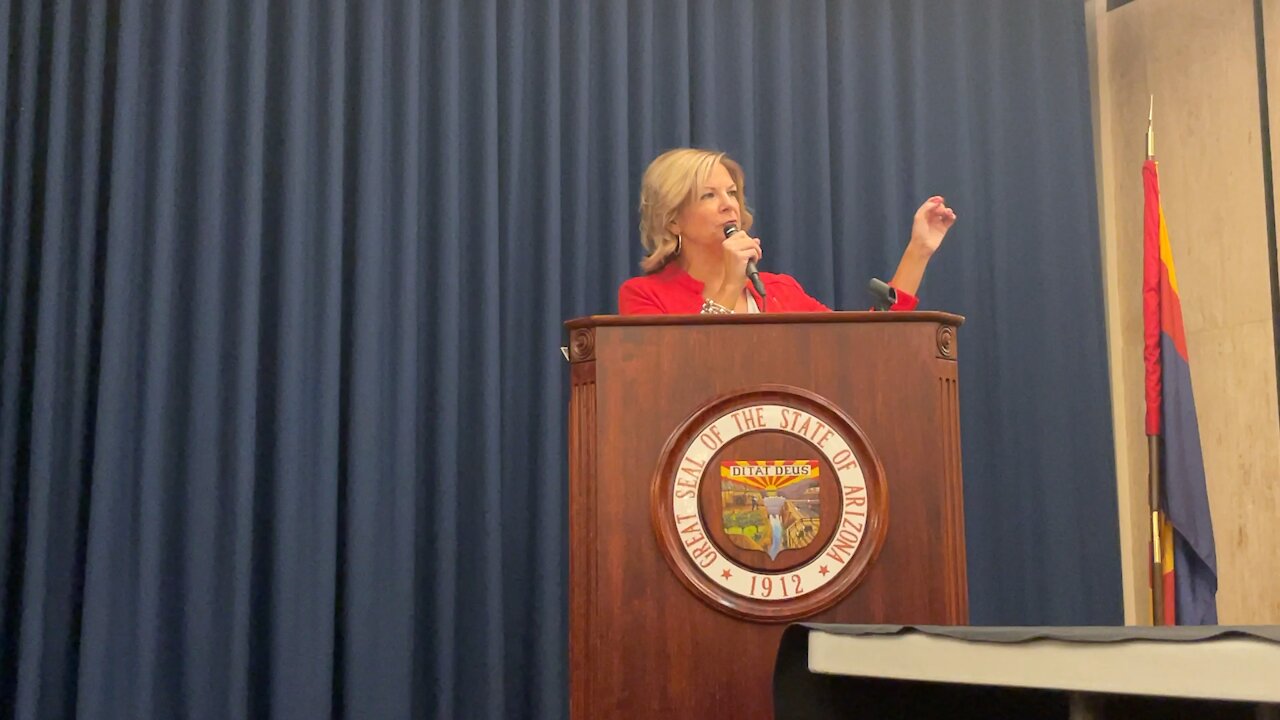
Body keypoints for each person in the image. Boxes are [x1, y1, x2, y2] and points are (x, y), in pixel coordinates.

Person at [618, 148, 956, 315]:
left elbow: (868, 347)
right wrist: (730, 284)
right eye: (709, 195)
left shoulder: (780, 292)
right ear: (673, 220)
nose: (729, 205)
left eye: (732, 193)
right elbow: (677, 373)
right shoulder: (645, 296)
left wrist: (918, 251)